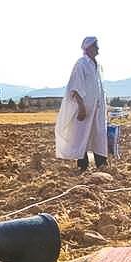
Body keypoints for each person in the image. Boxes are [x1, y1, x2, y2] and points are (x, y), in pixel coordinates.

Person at [55, 36, 107, 172]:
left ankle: (101, 164)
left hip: (97, 108)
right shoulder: (81, 64)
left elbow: (98, 88)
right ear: (88, 47)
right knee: (82, 135)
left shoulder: (97, 65)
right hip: (84, 109)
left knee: (99, 134)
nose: (98, 48)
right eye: (96, 46)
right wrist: (81, 107)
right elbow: (75, 87)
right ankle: (82, 166)